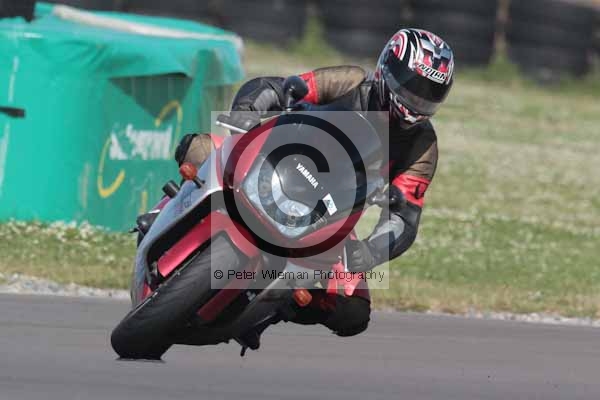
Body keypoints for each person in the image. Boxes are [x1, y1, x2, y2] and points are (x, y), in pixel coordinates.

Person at [161, 28, 454, 339]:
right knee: (198, 148)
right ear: (387, 69)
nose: (417, 99)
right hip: (274, 159)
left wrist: (370, 251)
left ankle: (270, 308)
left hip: (332, 212)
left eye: (430, 93)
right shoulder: (351, 81)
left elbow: (404, 217)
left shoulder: (423, 146)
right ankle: (167, 213)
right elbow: (276, 88)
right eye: (412, 87)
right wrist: (244, 114)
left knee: (353, 311)